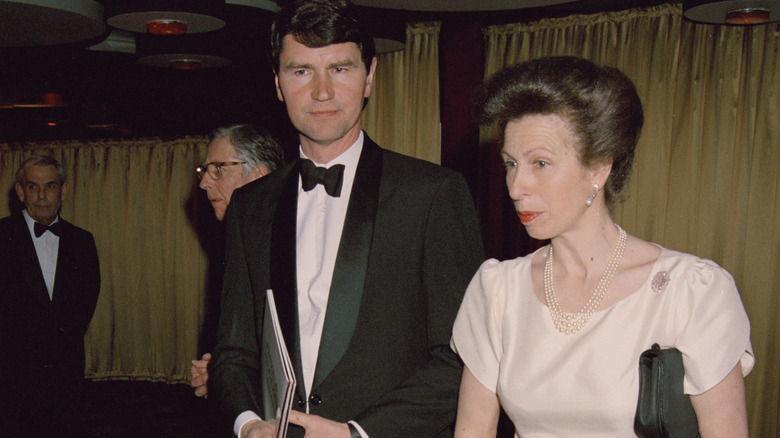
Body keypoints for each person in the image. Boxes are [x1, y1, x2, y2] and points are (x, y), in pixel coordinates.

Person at [208, 1, 485, 437]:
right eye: (301, 71)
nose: (321, 92)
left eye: (340, 69)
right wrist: (247, 425)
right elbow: (233, 350)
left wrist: (358, 433)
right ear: (277, 84)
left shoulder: (432, 194)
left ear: (369, 75)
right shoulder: (251, 206)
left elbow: (463, 357)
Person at [450, 56, 754, 437]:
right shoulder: (497, 291)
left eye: (540, 163)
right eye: (511, 164)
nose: (516, 188)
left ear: (599, 167)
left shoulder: (691, 291)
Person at [0, 154, 101, 437]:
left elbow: (86, 302)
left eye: (51, 186)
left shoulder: (82, 240)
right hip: (11, 370)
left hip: (64, 367)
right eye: (33, 187)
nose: (42, 196)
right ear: (20, 192)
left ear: (64, 190)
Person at [190, 123, 285, 397]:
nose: (205, 182)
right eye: (204, 171)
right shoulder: (243, 241)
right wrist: (226, 373)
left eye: (218, 168)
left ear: (258, 176)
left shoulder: (287, 242)